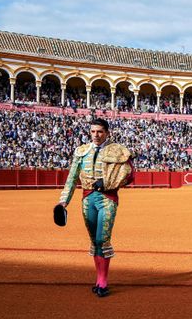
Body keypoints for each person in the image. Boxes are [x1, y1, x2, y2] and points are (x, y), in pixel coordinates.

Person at [56, 118, 134, 298]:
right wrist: (63, 201)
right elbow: (72, 178)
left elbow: (128, 175)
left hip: (107, 199)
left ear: (107, 132)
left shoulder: (118, 151)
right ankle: (98, 279)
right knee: (94, 240)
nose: (96, 135)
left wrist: (107, 183)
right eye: (93, 131)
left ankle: (103, 281)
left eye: (99, 131)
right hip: (87, 199)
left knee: (102, 239)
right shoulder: (82, 152)